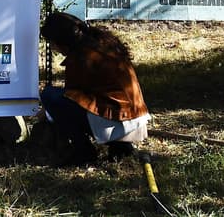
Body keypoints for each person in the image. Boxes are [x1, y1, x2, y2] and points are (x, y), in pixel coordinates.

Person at [39, 11, 150, 165]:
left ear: (61, 41)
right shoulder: (101, 42)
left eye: (52, 43)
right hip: (136, 117)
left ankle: (83, 151)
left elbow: (70, 98)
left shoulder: (81, 57)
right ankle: (120, 146)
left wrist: (48, 113)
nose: (52, 48)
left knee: (51, 96)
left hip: (118, 120)